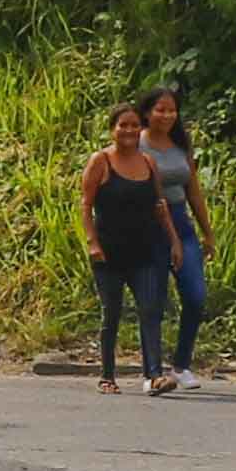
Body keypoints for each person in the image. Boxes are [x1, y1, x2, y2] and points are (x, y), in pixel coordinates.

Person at [82, 99, 178, 391]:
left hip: (144, 250)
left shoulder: (148, 162)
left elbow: (160, 206)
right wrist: (93, 243)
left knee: (150, 309)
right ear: (112, 129)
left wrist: (174, 241)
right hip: (109, 252)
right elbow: (86, 205)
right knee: (111, 313)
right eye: (123, 125)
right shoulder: (101, 161)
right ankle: (107, 376)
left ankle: (153, 375)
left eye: (134, 125)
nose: (129, 130)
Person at [138, 79, 212, 391]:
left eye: (172, 110)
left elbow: (193, 190)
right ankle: (152, 374)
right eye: (160, 110)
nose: (167, 116)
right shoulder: (136, 143)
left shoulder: (181, 144)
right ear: (147, 112)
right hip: (148, 225)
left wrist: (208, 232)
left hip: (181, 222)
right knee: (153, 300)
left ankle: (181, 365)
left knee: (195, 297)